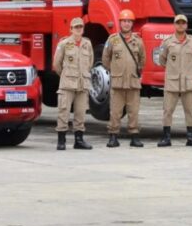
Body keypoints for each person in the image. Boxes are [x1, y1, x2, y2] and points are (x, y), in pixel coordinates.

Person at [103, 9, 146, 148]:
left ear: (132, 24)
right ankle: (113, 136)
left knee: (133, 111)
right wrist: (114, 71)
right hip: (118, 82)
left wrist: (136, 71)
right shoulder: (112, 40)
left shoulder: (138, 41)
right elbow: (106, 58)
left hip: (133, 82)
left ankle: (134, 136)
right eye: (124, 21)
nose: (126, 24)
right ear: (120, 23)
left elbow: (142, 59)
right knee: (115, 111)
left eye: (129, 21)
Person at [158, 14, 192, 147]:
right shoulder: (167, 42)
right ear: (174, 25)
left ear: (186, 25)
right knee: (167, 110)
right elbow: (162, 60)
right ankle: (166, 137)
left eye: (183, 23)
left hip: (188, 82)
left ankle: (191, 137)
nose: (181, 25)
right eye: (178, 23)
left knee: (190, 110)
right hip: (172, 82)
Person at [52, 17, 93, 150]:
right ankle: (61, 140)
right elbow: (56, 64)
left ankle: (79, 140)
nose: (78, 29)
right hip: (67, 83)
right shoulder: (64, 43)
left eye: (80, 27)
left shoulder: (87, 44)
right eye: (76, 27)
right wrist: (66, 75)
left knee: (80, 112)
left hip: (82, 83)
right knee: (63, 111)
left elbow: (90, 63)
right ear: (71, 29)